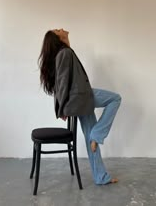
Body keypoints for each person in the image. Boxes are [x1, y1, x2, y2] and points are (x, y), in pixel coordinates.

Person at [38, 28, 122, 185]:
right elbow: (62, 83)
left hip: (80, 100)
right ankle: (98, 135)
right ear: (58, 38)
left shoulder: (65, 51)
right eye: (58, 30)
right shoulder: (65, 53)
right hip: (82, 96)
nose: (61, 28)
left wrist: (62, 106)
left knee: (90, 137)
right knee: (115, 99)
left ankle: (101, 176)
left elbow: (61, 82)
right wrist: (61, 108)